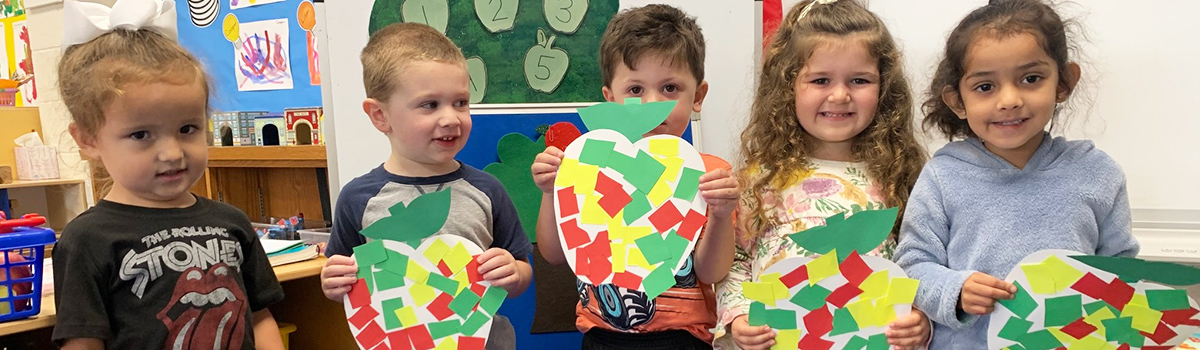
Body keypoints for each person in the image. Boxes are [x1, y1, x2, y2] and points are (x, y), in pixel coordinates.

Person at [894, 0, 1140, 347]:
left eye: (1031, 79)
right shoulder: (943, 175)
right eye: (985, 87)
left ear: (1064, 82)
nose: (1009, 99)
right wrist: (955, 290)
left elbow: (1122, 271)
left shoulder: (1097, 172)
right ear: (957, 101)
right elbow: (912, 264)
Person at [52, 0, 285, 349]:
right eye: (141, 135)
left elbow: (259, 316)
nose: (173, 153)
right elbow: (82, 342)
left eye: (188, 128)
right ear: (87, 139)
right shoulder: (87, 239)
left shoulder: (232, 222)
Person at [715, 1, 931, 349]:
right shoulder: (762, 179)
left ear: (884, 88)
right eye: (820, 80)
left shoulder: (901, 175)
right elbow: (737, 261)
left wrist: (922, 320)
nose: (840, 95)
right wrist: (738, 318)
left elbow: (924, 263)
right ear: (788, 87)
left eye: (859, 80)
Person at [530, 5, 741, 349]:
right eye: (636, 91)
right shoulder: (589, 166)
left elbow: (710, 272)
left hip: (681, 339)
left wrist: (720, 213)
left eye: (670, 88)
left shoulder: (710, 175)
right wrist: (551, 192)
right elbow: (555, 255)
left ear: (698, 97)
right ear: (611, 99)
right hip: (601, 335)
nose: (652, 104)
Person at [318, 22, 533, 350]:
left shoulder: (487, 190)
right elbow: (346, 281)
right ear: (380, 115)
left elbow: (520, 271)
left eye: (460, 102)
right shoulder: (358, 199)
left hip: (480, 340)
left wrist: (513, 273)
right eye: (430, 105)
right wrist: (332, 282)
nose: (450, 118)